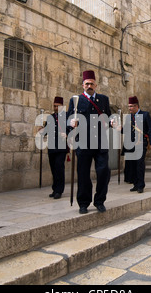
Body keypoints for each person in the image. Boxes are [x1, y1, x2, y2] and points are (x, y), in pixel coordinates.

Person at [67, 70, 111, 214]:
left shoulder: (103, 99)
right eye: (87, 83)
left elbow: (108, 117)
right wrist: (71, 123)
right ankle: (84, 203)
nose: (89, 86)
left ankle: (99, 201)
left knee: (103, 171)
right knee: (83, 174)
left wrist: (113, 122)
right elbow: (68, 119)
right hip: (83, 142)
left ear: (96, 85)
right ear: (83, 85)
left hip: (101, 141)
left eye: (92, 83)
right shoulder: (76, 100)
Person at [123, 96, 151, 193]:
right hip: (131, 144)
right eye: (129, 106)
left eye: (131, 106)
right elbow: (125, 130)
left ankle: (141, 185)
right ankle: (135, 184)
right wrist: (117, 127)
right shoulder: (129, 117)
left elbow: (150, 130)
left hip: (141, 143)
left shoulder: (145, 115)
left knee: (139, 164)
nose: (130, 108)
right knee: (132, 165)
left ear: (136, 106)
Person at [46, 96, 68, 199]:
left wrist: (67, 133)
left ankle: (59, 190)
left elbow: (71, 129)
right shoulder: (50, 117)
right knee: (53, 168)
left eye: (58, 106)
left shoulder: (66, 117)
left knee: (59, 167)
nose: (55, 108)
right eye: (54, 106)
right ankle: (54, 189)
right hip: (51, 146)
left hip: (61, 147)